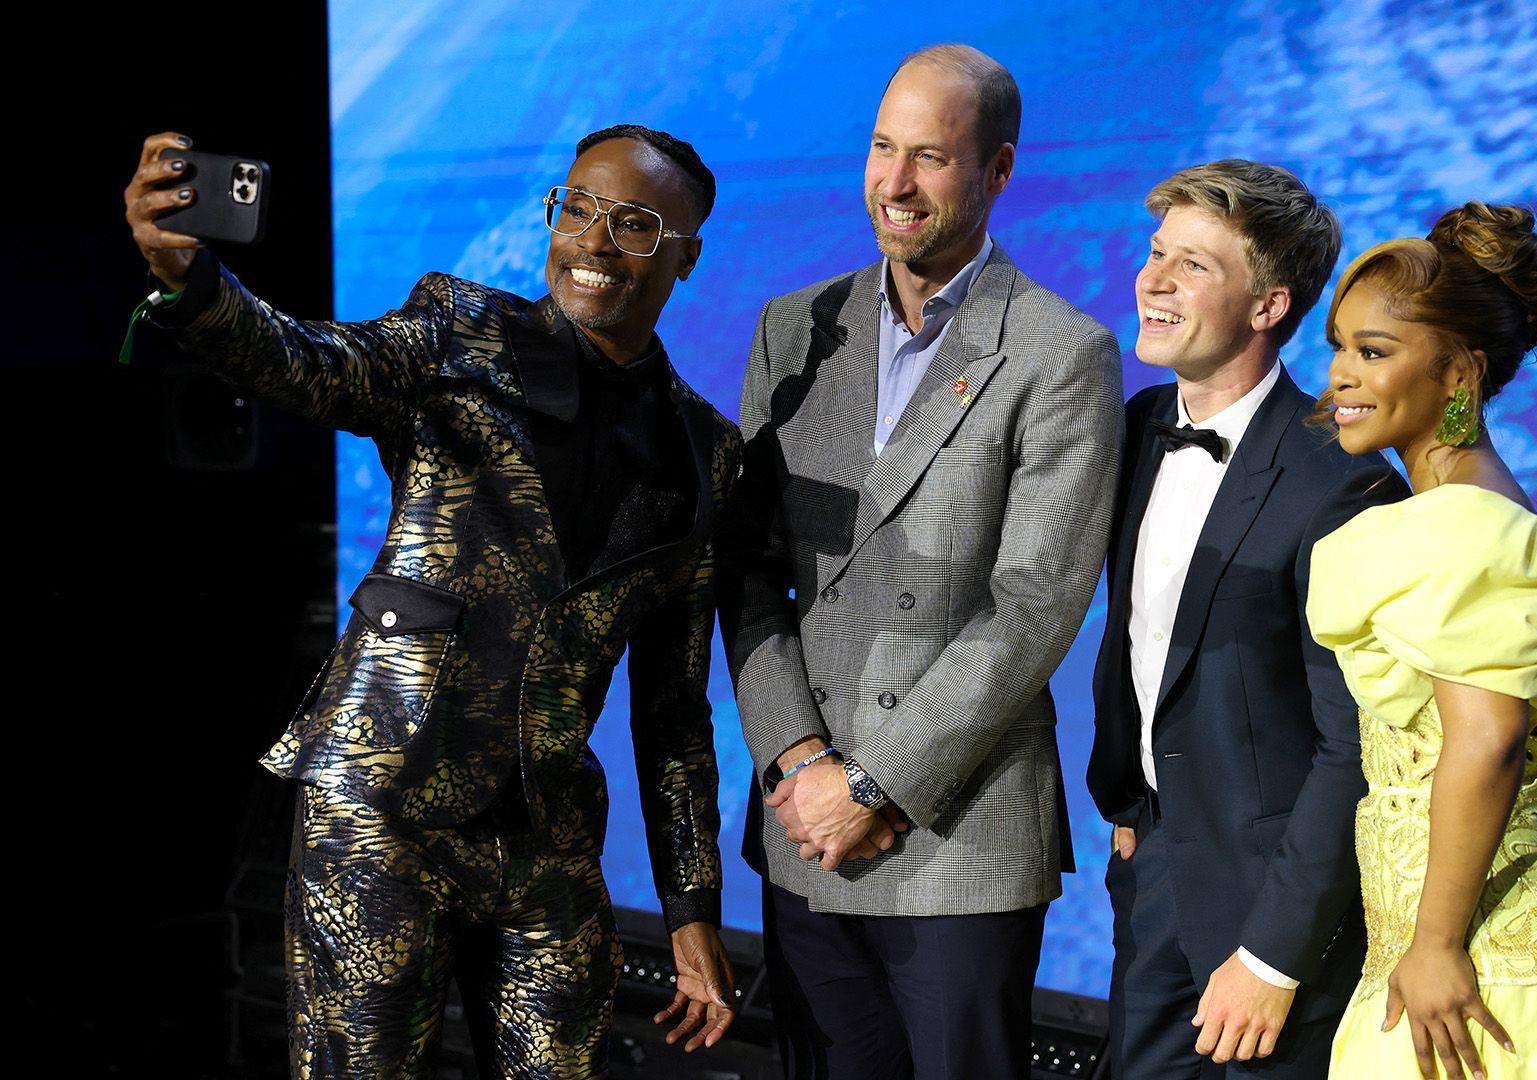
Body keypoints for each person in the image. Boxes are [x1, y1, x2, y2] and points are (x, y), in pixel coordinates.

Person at [122, 125, 742, 1076]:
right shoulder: (458, 335)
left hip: (543, 840)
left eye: (633, 224)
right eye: (574, 209)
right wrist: (191, 285)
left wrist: (693, 912)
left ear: (684, 256)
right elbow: (308, 362)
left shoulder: (704, 452)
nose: (592, 242)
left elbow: (673, 710)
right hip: (382, 807)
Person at [722, 43, 1124, 1080]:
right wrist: (800, 762)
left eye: (931, 159)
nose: (894, 185)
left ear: (996, 172)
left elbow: (1037, 604)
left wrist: (875, 785)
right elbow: (749, 568)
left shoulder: (1057, 351)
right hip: (803, 829)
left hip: (958, 837)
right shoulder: (796, 327)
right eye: (881, 149)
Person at [1309, 202, 1537, 1079]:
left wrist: (1436, 944)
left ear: (1460, 375)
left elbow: (1488, 740)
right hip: (1473, 951)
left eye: (1374, 351)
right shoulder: (1466, 508)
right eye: (1340, 347)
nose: (1340, 376)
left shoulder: (1465, 526)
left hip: (1492, 973)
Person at [1086, 160, 1407, 1078]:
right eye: (1156, 255)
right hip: (1154, 876)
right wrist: (1133, 795)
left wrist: (1273, 956)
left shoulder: (1344, 480)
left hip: (1278, 914)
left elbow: (1358, 749)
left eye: (1193, 265)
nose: (1151, 280)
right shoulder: (1137, 426)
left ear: (1268, 306)